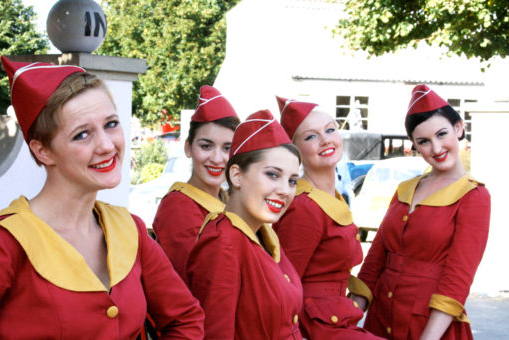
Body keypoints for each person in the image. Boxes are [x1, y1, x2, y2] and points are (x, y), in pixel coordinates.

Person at [0, 56, 204, 339]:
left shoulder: (129, 230)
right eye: (82, 135)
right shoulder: (1, 244)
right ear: (42, 151)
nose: (107, 146)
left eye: (111, 124)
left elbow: (186, 319)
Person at [353, 84, 491, 340]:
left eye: (441, 134)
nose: (436, 148)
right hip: (380, 321)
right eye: (424, 141)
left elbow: (457, 278)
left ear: (458, 128)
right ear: (414, 145)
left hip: (432, 328)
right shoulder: (406, 189)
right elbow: (374, 261)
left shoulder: (474, 197)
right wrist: (347, 322)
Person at [272, 96, 384, 340]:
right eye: (311, 136)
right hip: (315, 326)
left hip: (337, 318)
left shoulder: (331, 196)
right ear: (295, 151)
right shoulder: (304, 206)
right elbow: (284, 287)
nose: (325, 140)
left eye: (330, 129)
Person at [187, 109, 304, 339]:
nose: (284, 190)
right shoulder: (223, 243)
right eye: (272, 175)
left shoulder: (263, 236)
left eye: (292, 181)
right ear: (237, 175)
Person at [152, 85, 239, 282]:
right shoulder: (178, 207)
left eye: (227, 148)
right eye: (206, 146)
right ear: (188, 148)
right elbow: (204, 279)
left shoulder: (228, 201)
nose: (217, 158)